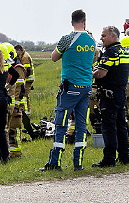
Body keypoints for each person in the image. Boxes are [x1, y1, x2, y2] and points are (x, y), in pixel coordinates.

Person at [40, 9, 97, 172]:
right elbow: (95, 56)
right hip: (86, 87)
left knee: (61, 124)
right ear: (85, 21)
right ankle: (78, 163)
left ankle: (55, 162)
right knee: (81, 124)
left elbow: (54, 57)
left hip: (70, 87)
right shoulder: (91, 39)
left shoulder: (67, 39)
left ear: (72, 22)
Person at [92, 26, 129, 167]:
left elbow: (101, 73)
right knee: (121, 125)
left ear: (113, 36)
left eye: (104, 36)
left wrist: (94, 73)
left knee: (109, 127)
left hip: (109, 95)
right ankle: (124, 156)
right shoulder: (124, 51)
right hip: (120, 94)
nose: (101, 38)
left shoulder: (110, 52)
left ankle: (109, 159)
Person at [12, 44, 38, 138]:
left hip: (26, 81)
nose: (15, 54)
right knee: (25, 96)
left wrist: (22, 79)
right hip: (27, 80)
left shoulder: (24, 57)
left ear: (19, 50)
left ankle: (25, 113)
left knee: (24, 97)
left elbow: (26, 70)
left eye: (16, 52)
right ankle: (25, 112)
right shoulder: (23, 55)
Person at [5, 62, 29, 156]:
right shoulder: (9, 67)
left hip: (16, 105)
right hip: (11, 104)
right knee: (9, 128)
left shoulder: (18, 68)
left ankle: (16, 151)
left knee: (14, 128)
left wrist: (16, 105)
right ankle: (11, 150)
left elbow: (20, 89)